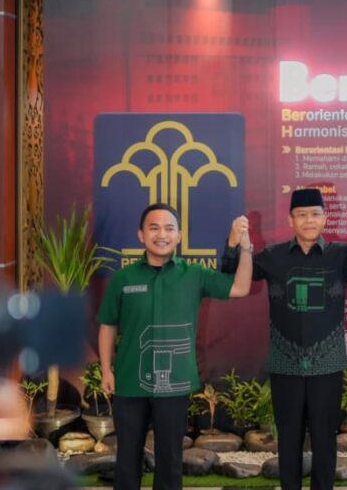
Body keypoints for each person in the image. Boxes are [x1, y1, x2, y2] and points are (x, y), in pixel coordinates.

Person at [222, 187, 347, 490]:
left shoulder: (340, 255)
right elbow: (231, 271)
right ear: (291, 220)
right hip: (285, 364)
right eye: (301, 215)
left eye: (315, 214)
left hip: (327, 365)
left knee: (325, 439)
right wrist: (234, 242)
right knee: (288, 439)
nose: (309, 220)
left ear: (325, 219)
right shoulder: (273, 256)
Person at [98, 203, 254, 490]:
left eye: (169, 228)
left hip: (175, 384)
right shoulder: (123, 278)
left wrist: (245, 248)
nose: (162, 234)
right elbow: (108, 325)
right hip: (129, 382)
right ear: (141, 235)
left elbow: (241, 287)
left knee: (170, 458)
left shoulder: (194, 274)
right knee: (127, 457)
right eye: (154, 228)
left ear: (179, 235)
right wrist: (107, 370)